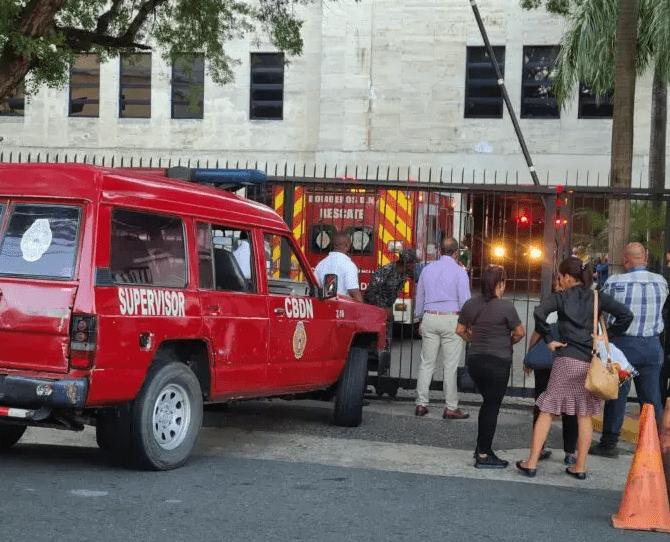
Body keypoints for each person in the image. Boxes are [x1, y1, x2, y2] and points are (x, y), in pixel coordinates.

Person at [516, 256, 633, 479]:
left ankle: (531, 462)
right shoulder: (597, 297)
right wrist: (605, 336)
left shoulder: (560, 297)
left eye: (560, 277)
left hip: (566, 359)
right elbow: (627, 315)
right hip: (589, 362)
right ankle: (579, 466)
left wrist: (550, 339)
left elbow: (539, 313)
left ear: (568, 277)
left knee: (547, 411)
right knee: (584, 414)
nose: (560, 280)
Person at [590, 242, 669, 458]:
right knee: (651, 399)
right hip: (651, 347)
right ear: (644, 257)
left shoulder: (615, 282)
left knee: (617, 396)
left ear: (625, 259)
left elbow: (599, 306)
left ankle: (608, 444)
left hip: (623, 347)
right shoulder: (660, 282)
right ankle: (658, 445)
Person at [455, 265, 525, 468]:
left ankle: (480, 447)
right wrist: (507, 343)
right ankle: (484, 454)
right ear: (499, 284)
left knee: (487, 402)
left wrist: (473, 339)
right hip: (498, 363)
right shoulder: (506, 307)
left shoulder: (470, 304)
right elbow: (519, 332)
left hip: (476, 361)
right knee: (491, 406)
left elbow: (460, 330)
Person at [413, 237, 471, 418]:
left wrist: (420, 318)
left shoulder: (427, 270)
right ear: (456, 253)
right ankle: (451, 407)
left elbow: (419, 297)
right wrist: (467, 324)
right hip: (451, 320)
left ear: (439, 250)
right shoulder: (460, 272)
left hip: (430, 317)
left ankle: (421, 404)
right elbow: (465, 302)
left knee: (426, 363)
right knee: (450, 366)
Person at [524, 323, 578, 467]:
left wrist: (529, 356)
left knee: (541, 404)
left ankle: (539, 449)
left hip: (545, 361)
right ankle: (570, 454)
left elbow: (536, 334)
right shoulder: (581, 308)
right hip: (570, 361)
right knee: (570, 407)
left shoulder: (549, 304)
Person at [364, 248, 419, 375]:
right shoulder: (387, 271)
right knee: (370, 345)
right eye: (411, 263)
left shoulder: (406, 273)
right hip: (374, 311)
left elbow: (421, 278)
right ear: (403, 262)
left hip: (386, 312)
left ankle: (383, 375)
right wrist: (384, 308)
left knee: (386, 344)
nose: (413, 265)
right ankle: (363, 377)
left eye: (414, 263)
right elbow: (370, 292)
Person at [314, 233, 363, 302]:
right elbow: (353, 291)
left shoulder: (321, 264)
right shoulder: (349, 265)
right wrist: (363, 307)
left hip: (324, 305)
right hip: (342, 306)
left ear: (334, 245)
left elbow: (315, 286)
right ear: (347, 246)